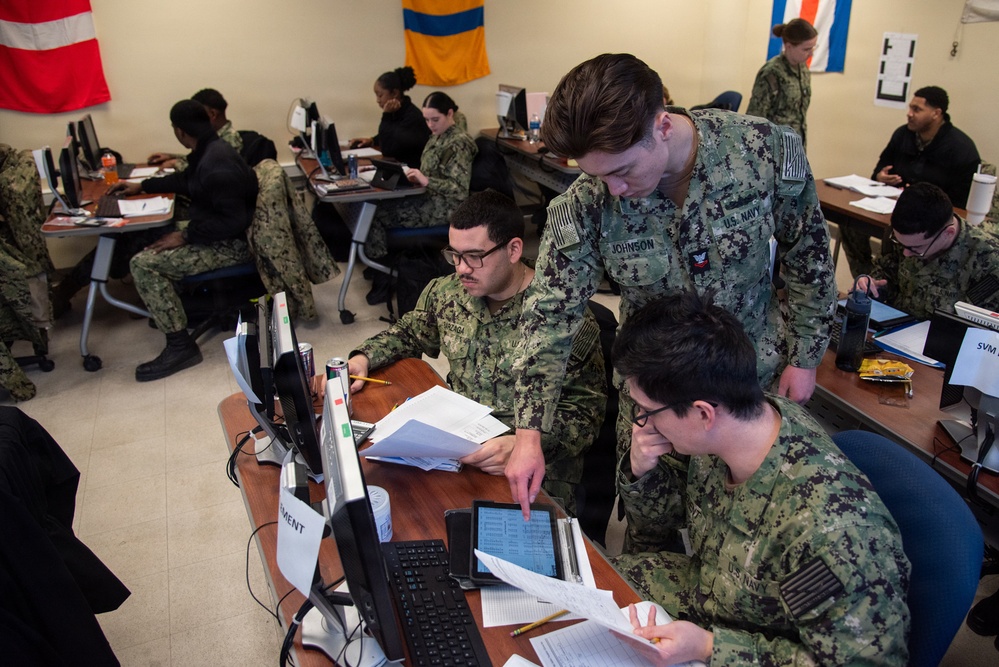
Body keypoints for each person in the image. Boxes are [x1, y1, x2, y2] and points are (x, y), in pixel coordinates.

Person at [504, 53, 836, 516]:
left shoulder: (762, 151)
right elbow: (549, 317)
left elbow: (810, 255)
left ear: (662, 125)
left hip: (748, 385)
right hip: (652, 397)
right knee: (649, 517)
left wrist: (805, 357)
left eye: (621, 171)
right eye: (596, 174)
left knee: (749, 520)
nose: (612, 189)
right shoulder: (587, 202)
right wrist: (528, 434)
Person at [612, 291, 910, 665]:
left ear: (704, 414)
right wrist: (642, 470)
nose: (643, 423)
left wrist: (709, 648)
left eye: (647, 411)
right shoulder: (738, 424)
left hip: (755, 643)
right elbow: (664, 526)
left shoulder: (828, 531)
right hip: (710, 593)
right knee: (588, 588)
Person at [334, 191, 605, 513]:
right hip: (457, 442)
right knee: (393, 500)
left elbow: (586, 415)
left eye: (474, 256)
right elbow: (409, 332)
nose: (462, 269)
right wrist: (363, 357)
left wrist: (521, 443)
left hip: (530, 463)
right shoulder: (447, 291)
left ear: (514, 249)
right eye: (455, 255)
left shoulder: (560, 316)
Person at [108, 99, 259, 381]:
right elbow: (185, 181)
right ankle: (174, 307)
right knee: (146, 235)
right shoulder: (209, 150)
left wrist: (185, 235)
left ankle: (180, 346)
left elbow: (233, 221)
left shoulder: (217, 162)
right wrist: (141, 186)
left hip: (234, 244)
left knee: (144, 264)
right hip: (218, 231)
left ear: (179, 131)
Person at [841, 86, 981, 278]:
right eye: (910, 108)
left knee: (899, 238)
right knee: (850, 225)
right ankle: (868, 279)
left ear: (936, 113)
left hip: (931, 219)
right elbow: (878, 170)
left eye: (917, 109)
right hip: (892, 206)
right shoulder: (903, 135)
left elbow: (961, 200)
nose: (909, 114)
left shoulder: (960, 148)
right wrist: (881, 177)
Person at [858, 182, 999, 320]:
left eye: (916, 249)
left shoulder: (988, 262)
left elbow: (974, 324)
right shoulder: (905, 232)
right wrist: (869, 286)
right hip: (891, 328)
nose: (906, 253)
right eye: (900, 243)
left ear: (948, 233)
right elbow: (886, 276)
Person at [365, 91, 477, 264]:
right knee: (374, 206)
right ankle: (382, 266)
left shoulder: (458, 143)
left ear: (449, 113)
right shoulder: (438, 136)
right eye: (427, 120)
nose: (430, 125)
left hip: (446, 206)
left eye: (435, 119)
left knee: (376, 214)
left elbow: (459, 190)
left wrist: (426, 180)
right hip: (428, 196)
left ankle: (382, 272)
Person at [745, 18, 818, 149]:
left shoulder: (803, 70)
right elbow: (754, 119)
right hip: (775, 150)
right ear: (789, 46)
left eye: (813, 48)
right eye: (806, 49)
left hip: (796, 147)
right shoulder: (771, 73)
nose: (811, 53)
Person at [349, 66, 431, 169]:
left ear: (395, 93)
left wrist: (386, 116)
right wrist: (372, 140)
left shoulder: (412, 117)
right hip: (399, 167)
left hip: (412, 173)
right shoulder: (399, 111)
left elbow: (388, 150)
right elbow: (393, 133)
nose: (377, 100)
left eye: (380, 95)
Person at [147, 88, 243, 171]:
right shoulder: (214, 136)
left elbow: (207, 170)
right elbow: (201, 158)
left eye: (200, 113)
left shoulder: (229, 140)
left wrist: (175, 163)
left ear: (212, 114)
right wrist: (172, 156)